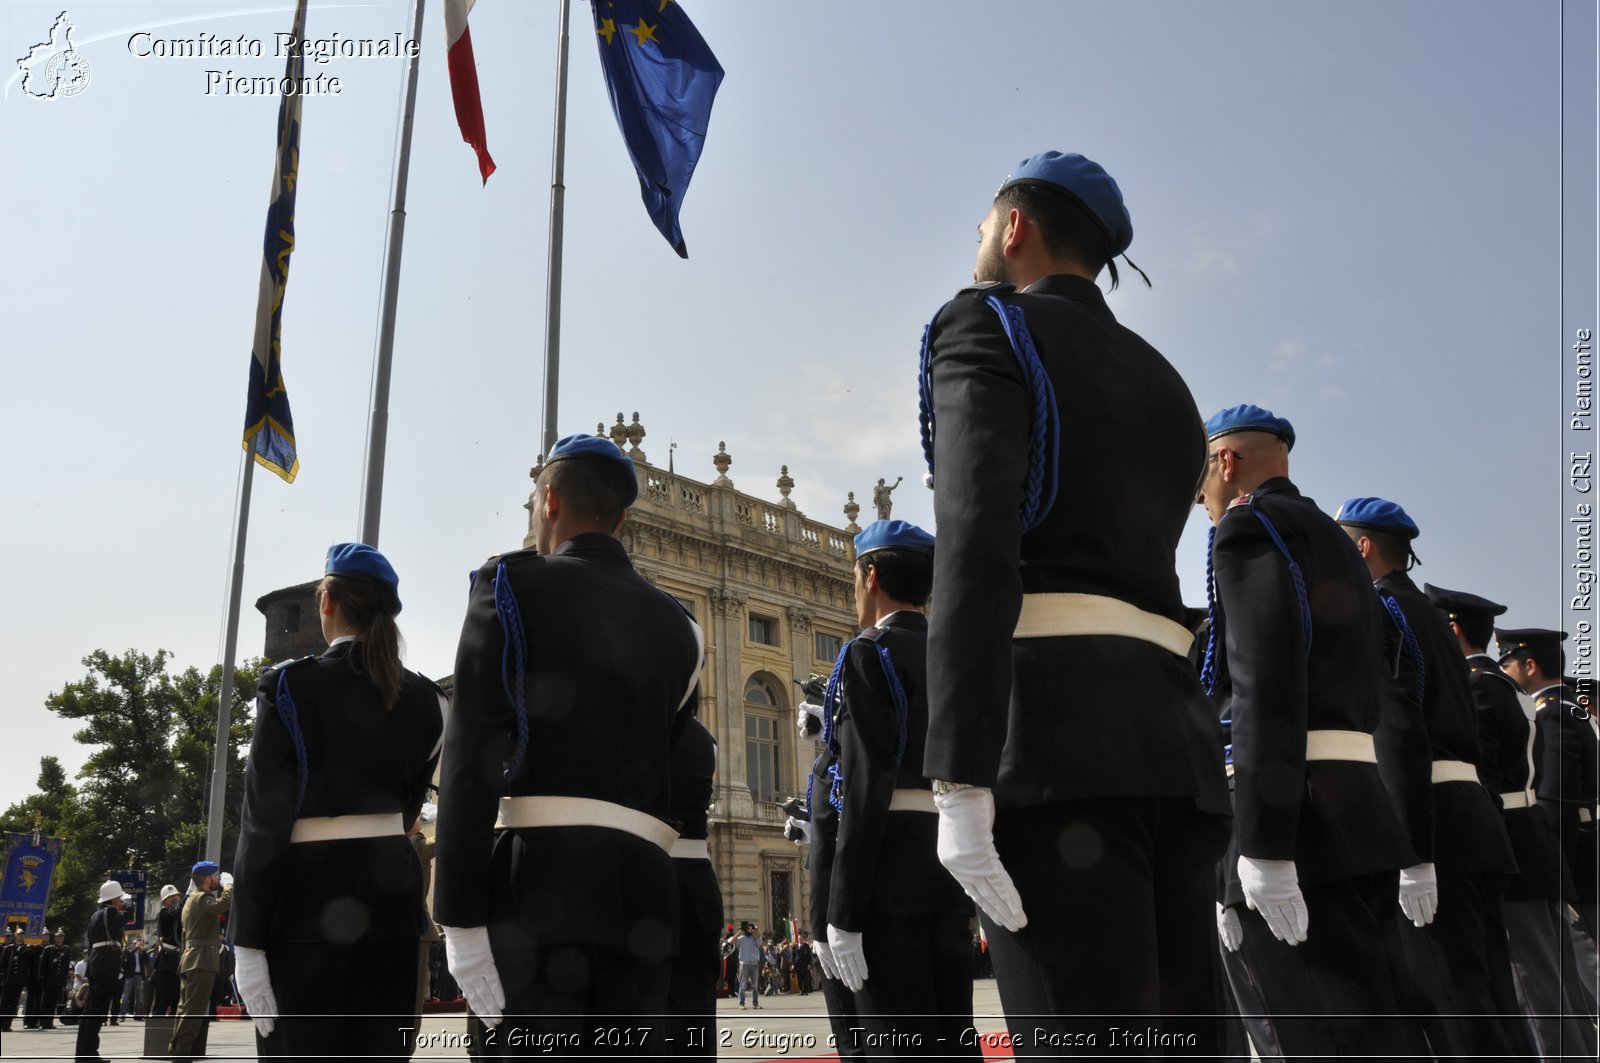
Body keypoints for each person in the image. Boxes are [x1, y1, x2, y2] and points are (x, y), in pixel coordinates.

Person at [918, 150, 1231, 1048]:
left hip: (1055, 746)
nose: (977, 238)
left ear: (1015, 228)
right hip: (1172, 748)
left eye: (984, 223)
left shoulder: (988, 328)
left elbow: (976, 544)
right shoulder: (1169, 383)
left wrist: (961, 773)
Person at [433, 433, 704, 1055]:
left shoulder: (508, 587)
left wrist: (459, 914)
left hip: (535, 889)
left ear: (548, 500)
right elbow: (666, 746)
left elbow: (470, 754)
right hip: (644, 895)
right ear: (624, 519)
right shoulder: (681, 627)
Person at [1195, 406, 1424, 1058]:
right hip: (1360, 806)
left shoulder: (1249, 525)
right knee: (1378, 1029)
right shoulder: (1339, 543)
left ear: (1227, 462)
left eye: (1202, 481)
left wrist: (1262, 840)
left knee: (1322, 1035)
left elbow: (1262, 678)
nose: (1202, 500)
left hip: (1298, 819)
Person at [229, 542, 447, 1060]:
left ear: (326, 603)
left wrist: (247, 939)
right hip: (392, 906)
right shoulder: (428, 700)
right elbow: (410, 808)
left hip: (305, 906)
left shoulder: (287, 687)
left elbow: (263, 822)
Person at [1335, 498, 1528, 1060]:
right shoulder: (1426, 615)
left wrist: (1413, 852)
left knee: (1448, 1001)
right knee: (1490, 996)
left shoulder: (1378, 609)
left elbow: (1396, 730)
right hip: (1469, 815)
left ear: (1363, 547)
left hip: (1428, 818)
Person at [816, 519, 978, 1056]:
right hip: (952, 870)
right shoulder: (956, 654)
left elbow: (864, 788)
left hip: (887, 878)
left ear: (871, 574)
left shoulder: (868, 653)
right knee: (954, 1037)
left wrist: (841, 912)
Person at [1427, 584, 1599, 1057]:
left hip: (1512, 843)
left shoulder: (1476, 686)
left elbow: (1481, 773)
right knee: (1559, 984)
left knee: (1534, 984)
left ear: (1452, 629)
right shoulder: (1513, 690)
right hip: (1534, 840)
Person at [1497, 628, 1600, 940]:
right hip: (1585, 851)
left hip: (1576, 859)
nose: (1505, 673)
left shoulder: (1552, 715)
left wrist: (1558, 875)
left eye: (1507, 665)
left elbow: (1556, 802)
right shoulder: (1573, 711)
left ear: (1530, 667)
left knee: (1585, 966)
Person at [664, 709, 722, 1057]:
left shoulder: (639, 729)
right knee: (696, 1020)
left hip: (651, 873)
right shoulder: (704, 737)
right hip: (699, 879)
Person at [168, 862, 232, 1063]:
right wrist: (229, 886)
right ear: (207, 878)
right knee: (194, 1009)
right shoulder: (202, 897)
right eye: (216, 876)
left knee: (185, 1008)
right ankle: (182, 1052)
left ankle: (177, 1047)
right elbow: (221, 905)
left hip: (192, 959)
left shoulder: (190, 900)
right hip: (201, 960)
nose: (218, 879)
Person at [76, 880, 130, 1063]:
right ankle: (89, 1053)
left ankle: (83, 1052)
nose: (120, 902)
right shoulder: (110, 912)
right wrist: (129, 907)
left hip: (97, 962)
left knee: (91, 1009)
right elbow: (125, 918)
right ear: (113, 899)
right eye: (119, 899)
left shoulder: (96, 914)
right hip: (106, 964)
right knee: (97, 1010)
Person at [151, 884, 182, 1017]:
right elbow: (174, 913)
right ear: (164, 901)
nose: (174, 899)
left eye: (176, 896)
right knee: (162, 998)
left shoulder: (179, 913)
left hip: (178, 959)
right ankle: (157, 1028)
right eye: (170, 897)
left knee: (177, 998)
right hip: (166, 960)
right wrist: (188, 894)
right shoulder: (164, 913)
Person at [39, 929, 70, 1029]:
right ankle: (43, 1022)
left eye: (62, 936)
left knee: (53, 1002)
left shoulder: (66, 949)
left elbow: (65, 965)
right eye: (58, 936)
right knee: (45, 1002)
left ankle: (49, 1022)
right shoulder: (48, 949)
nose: (60, 938)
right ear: (55, 937)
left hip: (58, 980)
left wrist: (64, 979)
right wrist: (42, 978)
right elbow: (42, 965)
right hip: (49, 979)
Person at [731, 923, 763, 1009]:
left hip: (754, 964)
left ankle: (755, 1003)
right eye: (748, 929)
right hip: (744, 964)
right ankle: (741, 1004)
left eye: (751, 929)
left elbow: (760, 942)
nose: (750, 930)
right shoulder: (741, 938)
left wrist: (756, 930)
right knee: (742, 985)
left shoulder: (755, 939)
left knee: (755, 986)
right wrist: (739, 932)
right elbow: (730, 941)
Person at [120, 937, 148, 1021]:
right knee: (126, 996)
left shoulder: (141, 953)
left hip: (139, 976)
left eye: (139, 943)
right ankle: (122, 1015)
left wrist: (143, 950)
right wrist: (135, 948)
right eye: (136, 943)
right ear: (133, 944)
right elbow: (126, 960)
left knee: (139, 997)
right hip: (129, 976)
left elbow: (147, 960)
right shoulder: (128, 952)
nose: (138, 945)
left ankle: (137, 1016)